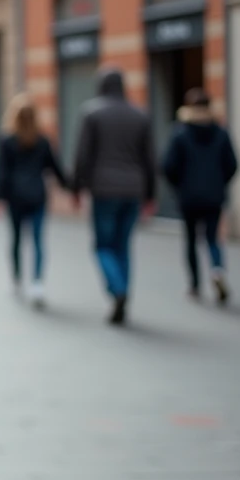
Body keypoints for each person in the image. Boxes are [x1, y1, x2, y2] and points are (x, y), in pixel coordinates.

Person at [73, 68, 156, 325]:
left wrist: (76, 187)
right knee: (123, 246)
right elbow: (150, 159)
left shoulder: (92, 113)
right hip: (133, 189)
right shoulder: (140, 115)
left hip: (104, 189)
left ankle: (117, 290)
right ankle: (123, 293)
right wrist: (151, 194)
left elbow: (83, 155)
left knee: (103, 245)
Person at [0, 93, 72, 307]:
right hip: (37, 196)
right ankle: (37, 283)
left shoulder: (7, 141)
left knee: (17, 240)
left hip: (15, 197)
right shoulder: (43, 141)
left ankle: (17, 280)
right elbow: (55, 168)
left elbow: (1, 172)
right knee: (37, 241)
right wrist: (70, 188)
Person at [161, 88, 238, 303]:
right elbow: (232, 165)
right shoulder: (220, 132)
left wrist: (180, 186)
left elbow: (168, 166)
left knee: (191, 241)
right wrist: (219, 183)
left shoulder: (180, 132)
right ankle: (217, 269)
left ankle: (194, 284)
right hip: (214, 195)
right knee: (213, 238)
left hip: (189, 197)